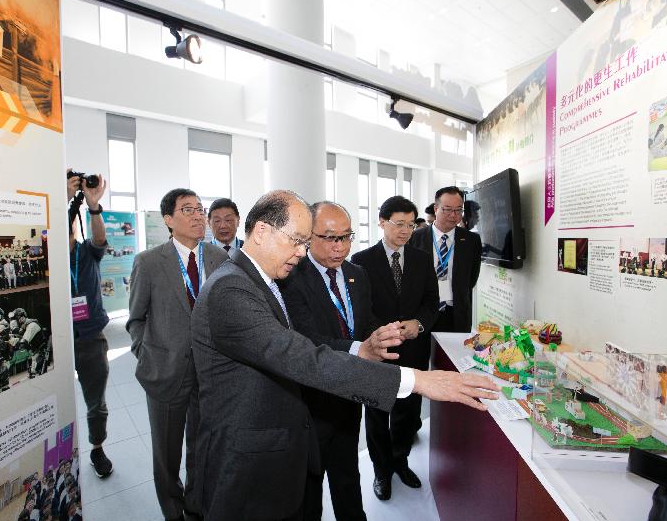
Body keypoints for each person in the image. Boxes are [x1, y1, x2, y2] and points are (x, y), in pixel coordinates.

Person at [191, 190, 499, 520]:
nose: (300, 252)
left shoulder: (258, 280)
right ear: (263, 231)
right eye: (297, 240)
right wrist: (418, 380)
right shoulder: (232, 288)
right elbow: (301, 356)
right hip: (249, 457)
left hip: (285, 437)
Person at [281, 201, 396, 520]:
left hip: (349, 394)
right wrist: (363, 348)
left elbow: (366, 320)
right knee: (310, 483)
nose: (340, 246)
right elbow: (305, 339)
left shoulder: (357, 273)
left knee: (347, 474)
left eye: (346, 237)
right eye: (330, 238)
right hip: (310, 399)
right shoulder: (291, 276)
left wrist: (382, 335)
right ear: (307, 236)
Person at [127, 188, 228, 521]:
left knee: (201, 447)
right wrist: (146, 355)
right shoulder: (149, 262)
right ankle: (172, 510)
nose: (199, 215)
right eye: (188, 210)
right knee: (167, 454)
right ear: (168, 220)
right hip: (165, 371)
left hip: (210, 372)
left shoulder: (219, 259)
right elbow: (136, 319)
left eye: (200, 209)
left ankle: (196, 505)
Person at [351, 195, 440, 501]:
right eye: (398, 224)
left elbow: (431, 303)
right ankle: (381, 470)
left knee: (407, 411)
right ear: (382, 222)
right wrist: (382, 332)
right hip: (378, 351)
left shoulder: (422, 258)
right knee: (377, 413)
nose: (405, 231)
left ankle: (400, 461)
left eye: (410, 224)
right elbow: (360, 310)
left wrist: (420, 323)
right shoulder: (361, 261)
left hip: (413, 350)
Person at [67, 169, 114, 479]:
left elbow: (99, 238)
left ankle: (97, 448)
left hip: (89, 338)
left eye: (71, 220)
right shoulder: (47, 260)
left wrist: (92, 205)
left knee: (96, 403)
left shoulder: (86, 253)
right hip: (56, 342)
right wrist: (65, 200)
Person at [409, 186, 482, 334]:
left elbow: (471, 277)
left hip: (456, 313)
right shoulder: (415, 237)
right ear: (436, 209)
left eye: (458, 210)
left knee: (454, 355)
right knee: (420, 356)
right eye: (447, 209)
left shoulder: (471, 240)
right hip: (421, 313)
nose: (453, 215)